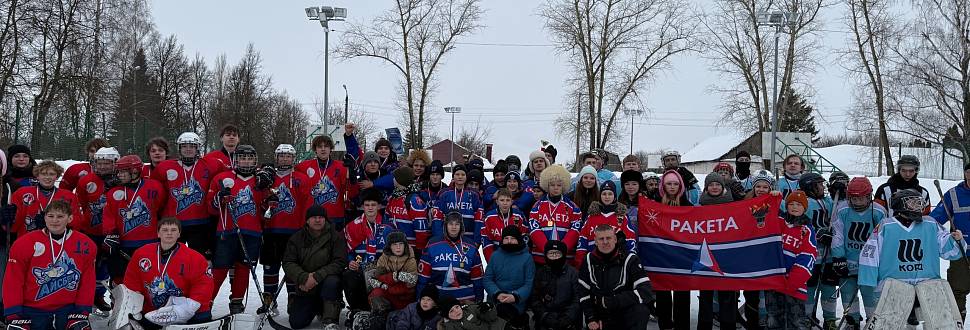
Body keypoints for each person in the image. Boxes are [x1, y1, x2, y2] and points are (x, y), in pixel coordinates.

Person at [859, 189, 967, 325]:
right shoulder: (886, 226)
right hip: (893, 286)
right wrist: (869, 280)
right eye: (913, 203)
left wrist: (956, 240)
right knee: (890, 323)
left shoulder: (930, 224)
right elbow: (869, 253)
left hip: (927, 285)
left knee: (938, 323)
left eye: (919, 203)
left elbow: (948, 250)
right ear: (900, 205)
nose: (919, 206)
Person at [2, 199, 96, 330]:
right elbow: (13, 281)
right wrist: (14, 314)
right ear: (44, 217)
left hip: (68, 310)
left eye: (60, 216)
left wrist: (82, 312)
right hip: (32, 310)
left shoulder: (86, 244)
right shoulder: (23, 243)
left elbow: (87, 282)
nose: (54, 220)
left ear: (70, 218)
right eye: (50, 216)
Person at [205, 145, 270, 313]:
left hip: (252, 232)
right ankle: (206, 302)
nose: (246, 161)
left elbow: (265, 210)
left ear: (255, 161)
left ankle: (237, 302)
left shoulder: (260, 181)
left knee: (243, 268)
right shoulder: (222, 178)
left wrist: (270, 202)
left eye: (250, 158)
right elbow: (211, 208)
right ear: (236, 160)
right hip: (227, 231)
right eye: (242, 158)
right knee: (220, 268)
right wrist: (220, 198)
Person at [124, 217, 214, 328]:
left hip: (185, 308)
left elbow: (204, 284)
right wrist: (134, 305)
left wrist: (187, 308)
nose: (169, 233)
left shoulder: (195, 257)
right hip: (152, 312)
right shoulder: (141, 253)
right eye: (165, 230)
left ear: (179, 234)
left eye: (173, 230)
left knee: (202, 314)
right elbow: (132, 280)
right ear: (158, 233)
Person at [260, 144, 313, 312]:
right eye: (281, 156)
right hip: (271, 230)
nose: (285, 159)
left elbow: (307, 203)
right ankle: (269, 298)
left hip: (294, 231)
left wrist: (305, 227)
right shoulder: (268, 178)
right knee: (270, 266)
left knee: (292, 266)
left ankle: (293, 297)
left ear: (293, 158)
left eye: (288, 156)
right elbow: (259, 201)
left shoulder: (301, 178)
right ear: (276, 158)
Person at [103, 154, 167, 286]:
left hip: (150, 242)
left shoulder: (154, 187)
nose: (119, 175)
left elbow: (161, 209)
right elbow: (109, 215)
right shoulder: (113, 192)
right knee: (120, 280)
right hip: (124, 245)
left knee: (150, 279)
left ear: (134, 171)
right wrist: (111, 233)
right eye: (118, 171)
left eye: (123, 171)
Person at [282, 205, 348, 330]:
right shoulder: (297, 238)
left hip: (326, 283)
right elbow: (288, 262)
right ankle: (316, 307)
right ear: (307, 220)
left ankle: (330, 318)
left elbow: (340, 262)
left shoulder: (335, 237)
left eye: (320, 217)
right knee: (297, 323)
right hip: (306, 285)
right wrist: (303, 278)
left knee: (332, 281)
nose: (317, 220)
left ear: (325, 219)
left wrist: (317, 277)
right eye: (314, 217)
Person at [831, 177, 885, 329]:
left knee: (870, 294)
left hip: (870, 264)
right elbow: (837, 235)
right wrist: (838, 258)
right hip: (848, 261)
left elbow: (884, 239)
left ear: (869, 196)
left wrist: (882, 262)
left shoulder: (879, 212)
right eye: (854, 199)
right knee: (847, 293)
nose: (858, 202)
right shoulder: (842, 209)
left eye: (861, 198)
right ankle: (852, 322)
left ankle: (872, 322)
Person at [150, 132, 214, 258]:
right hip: (173, 223)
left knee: (198, 259)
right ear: (179, 148)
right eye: (184, 146)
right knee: (171, 258)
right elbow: (155, 193)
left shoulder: (210, 165)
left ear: (198, 148)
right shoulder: (164, 167)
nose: (188, 149)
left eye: (192, 146)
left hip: (200, 222)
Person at [578, 224, 653, 330]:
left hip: (624, 313)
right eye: (601, 239)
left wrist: (614, 301)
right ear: (595, 241)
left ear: (615, 239)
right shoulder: (588, 260)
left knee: (641, 311)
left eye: (608, 238)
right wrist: (590, 318)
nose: (605, 242)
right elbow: (583, 292)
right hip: (600, 315)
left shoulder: (631, 259)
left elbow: (645, 292)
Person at [74, 147, 120, 312]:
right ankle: (88, 299)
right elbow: (82, 204)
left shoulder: (122, 179)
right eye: (99, 163)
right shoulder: (86, 181)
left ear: (115, 163)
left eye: (107, 163)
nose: (102, 167)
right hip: (92, 232)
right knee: (90, 266)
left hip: (115, 233)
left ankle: (105, 297)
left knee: (111, 268)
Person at [295, 123, 362, 232]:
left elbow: (351, 192)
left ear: (331, 149)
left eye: (326, 146)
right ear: (315, 149)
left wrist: (353, 178)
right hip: (312, 218)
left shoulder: (341, 167)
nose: (323, 149)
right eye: (319, 146)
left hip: (335, 217)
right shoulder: (302, 167)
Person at [647, 169, 692, 330]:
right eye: (669, 184)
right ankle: (665, 325)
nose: (672, 187)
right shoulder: (654, 205)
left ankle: (682, 326)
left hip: (682, 256)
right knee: (663, 293)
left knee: (682, 294)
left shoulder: (688, 206)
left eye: (675, 184)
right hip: (662, 255)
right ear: (663, 186)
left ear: (680, 186)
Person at [765, 191, 817, 330]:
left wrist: (793, 281)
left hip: (794, 286)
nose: (794, 207)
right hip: (774, 281)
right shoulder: (779, 221)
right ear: (786, 206)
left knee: (796, 322)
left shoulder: (806, 230)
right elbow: (764, 214)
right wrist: (774, 198)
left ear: (805, 208)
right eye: (791, 204)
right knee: (773, 320)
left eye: (799, 204)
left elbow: (808, 256)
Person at [696, 172, 738, 330]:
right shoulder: (698, 207)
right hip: (706, 257)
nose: (714, 187)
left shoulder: (734, 206)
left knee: (728, 297)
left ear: (723, 186)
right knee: (705, 297)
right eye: (711, 185)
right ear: (706, 188)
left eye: (717, 184)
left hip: (727, 257)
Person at [344, 188, 396, 312]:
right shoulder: (352, 226)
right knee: (349, 276)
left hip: (381, 268)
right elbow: (349, 251)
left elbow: (394, 253)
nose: (370, 208)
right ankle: (357, 311)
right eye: (367, 205)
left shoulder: (388, 228)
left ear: (379, 206)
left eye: (373, 205)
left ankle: (381, 310)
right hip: (361, 265)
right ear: (362, 207)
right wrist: (351, 261)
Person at [930, 162, 970, 320]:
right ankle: (957, 323)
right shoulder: (954, 194)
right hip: (961, 253)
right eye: (969, 172)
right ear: (965, 174)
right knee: (957, 292)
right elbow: (934, 221)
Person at [739, 169, 778, 329]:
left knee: (770, 292)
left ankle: (771, 323)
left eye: (765, 187)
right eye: (758, 186)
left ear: (770, 188)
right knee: (751, 294)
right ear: (753, 187)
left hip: (769, 254)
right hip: (750, 255)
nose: (761, 189)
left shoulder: (775, 202)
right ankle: (752, 324)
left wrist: (778, 199)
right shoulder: (744, 204)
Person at [418, 211, 485, 302]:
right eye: (450, 224)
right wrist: (419, 299)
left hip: (465, 301)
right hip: (438, 301)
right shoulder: (432, 244)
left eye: (457, 224)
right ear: (445, 225)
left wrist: (479, 301)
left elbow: (478, 278)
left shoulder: (471, 246)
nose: (454, 227)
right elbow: (423, 277)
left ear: (461, 226)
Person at [9, 160, 82, 239]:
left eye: (51, 174)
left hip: (58, 240)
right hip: (28, 239)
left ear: (57, 176)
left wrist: (57, 221)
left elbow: (77, 222)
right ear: (37, 176)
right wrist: (8, 219)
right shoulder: (22, 193)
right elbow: (13, 226)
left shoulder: (68, 196)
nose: (47, 177)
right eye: (43, 174)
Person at [527, 165, 581, 265]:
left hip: (565, 258)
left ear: (563, 186)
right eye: (552, 185)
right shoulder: (537, 206)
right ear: (547, 186)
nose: (555, 188)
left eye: (559, 185)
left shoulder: (573, 207)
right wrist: (546, 248)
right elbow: (534, 229)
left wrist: (563, 247)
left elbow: (575, 229)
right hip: (541, 257)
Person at [482, 226, 534, 329]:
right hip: (496, 300)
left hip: (517, 302)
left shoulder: (527, 258)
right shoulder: (495, 256)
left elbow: (529, 283)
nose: (509, 241)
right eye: (506, 238)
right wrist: (497, 293)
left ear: (518, 240)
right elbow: (487, 279)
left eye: (513, 238)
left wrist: (515, 296)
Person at [576, 181, 636, 262]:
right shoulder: (591, 216)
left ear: (615, 196)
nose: (607, 197)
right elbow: (583, 239)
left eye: (610, 194)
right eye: (604, 194)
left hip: (616, 262)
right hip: (594, 260)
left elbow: (630, 239)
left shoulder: (622, 216)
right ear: (600, 196)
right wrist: (580, 262)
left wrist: (630, 261)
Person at [528, 240, 580, 330]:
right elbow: (534, 297)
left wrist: (568, 317)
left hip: (568, 320)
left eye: (557, 253)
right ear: (546, 255)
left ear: (563, 255)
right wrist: (544, 315)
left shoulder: (573, 273)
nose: (554, 257)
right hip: (545, 318)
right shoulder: (540, 272)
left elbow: (577, 298)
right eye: (551, 254)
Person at [364, 230, 417, 313]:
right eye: (394, 244)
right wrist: (394, 277)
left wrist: (389, 285)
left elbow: (411, 283)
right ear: (390, 246)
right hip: (388, 293)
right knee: (376, 293)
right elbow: (377, 277)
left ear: (405, 245)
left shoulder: (411, 260)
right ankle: (381, 314)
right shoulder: (383, 258)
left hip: (404, 297)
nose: (398, 247)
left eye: (401, 244)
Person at [431, 165, 483, 245]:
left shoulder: (474, 194)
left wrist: (477, 240)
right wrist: (439, 238)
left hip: (469, 238)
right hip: (447, 238)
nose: (460, 177)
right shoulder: (444, 193)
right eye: (457, 174)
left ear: (466, 177)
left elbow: (479, 220)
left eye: (463, 174)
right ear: (453, 176)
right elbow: (437, 219)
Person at [385, 166, 430, 254]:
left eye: (395, 177)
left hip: (410, 249)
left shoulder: (414, 200)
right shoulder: (393, 198)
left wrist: (419, 250)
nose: (393, 179)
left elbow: (421, 229)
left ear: (400, 180)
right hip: (394, 247)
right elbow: (386, 221)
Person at [480, 189, 528, 261]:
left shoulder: (519, 215)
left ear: (512, 202)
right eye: (502, 200)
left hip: (516, 255)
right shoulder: (489, 217)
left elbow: (524, 236)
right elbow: (486, 240)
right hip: (496, 255)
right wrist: (491, 260)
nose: (505, 203)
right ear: (497, 202)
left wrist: (520, 257)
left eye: (508, 200)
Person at [436, 296, 506, 330]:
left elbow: (491, 317)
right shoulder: (449, 326)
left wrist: (488, 309)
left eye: (457, 307)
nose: (456, 311)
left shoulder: (470, 309)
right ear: (447, 316)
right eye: (451, 311)